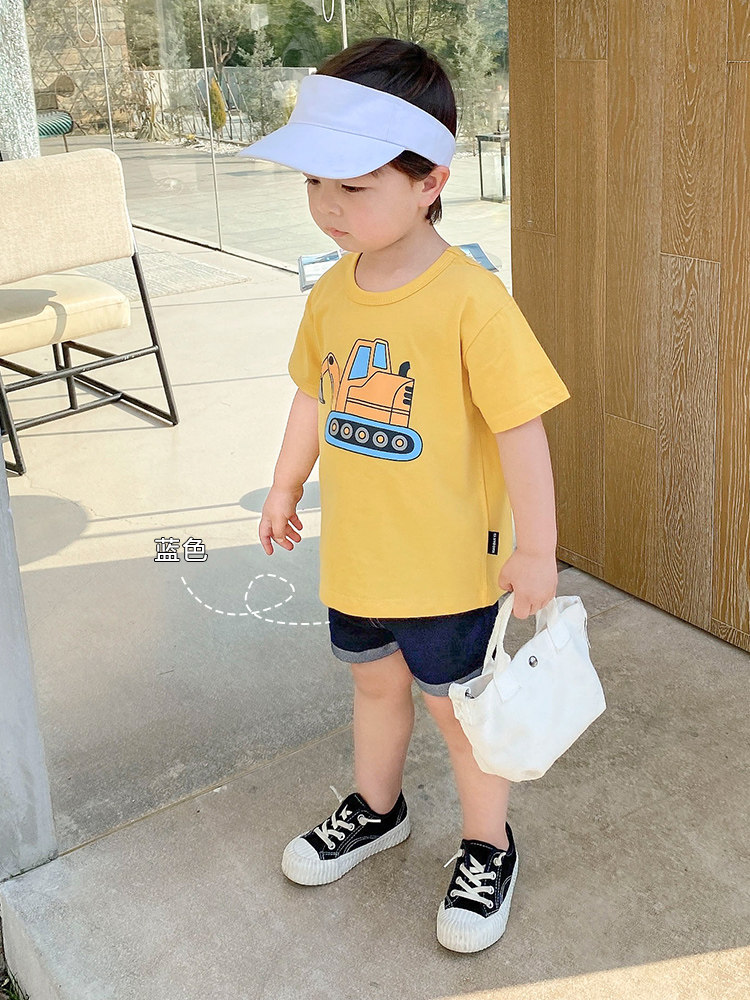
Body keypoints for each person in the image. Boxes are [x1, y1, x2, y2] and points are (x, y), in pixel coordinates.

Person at [243, 37, 571, 954]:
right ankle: (377, 808)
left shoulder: (471, 300)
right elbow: (314, 395)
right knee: (375, 683)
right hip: (362, 557)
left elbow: (521, 429)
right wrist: (284, 483)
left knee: (459, 711)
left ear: (431, 181)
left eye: (353, 186)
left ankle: (488, 844)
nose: (327, 207)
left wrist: (537, 549)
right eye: (315, 183)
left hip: (452, 568)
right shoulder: (332, 292)